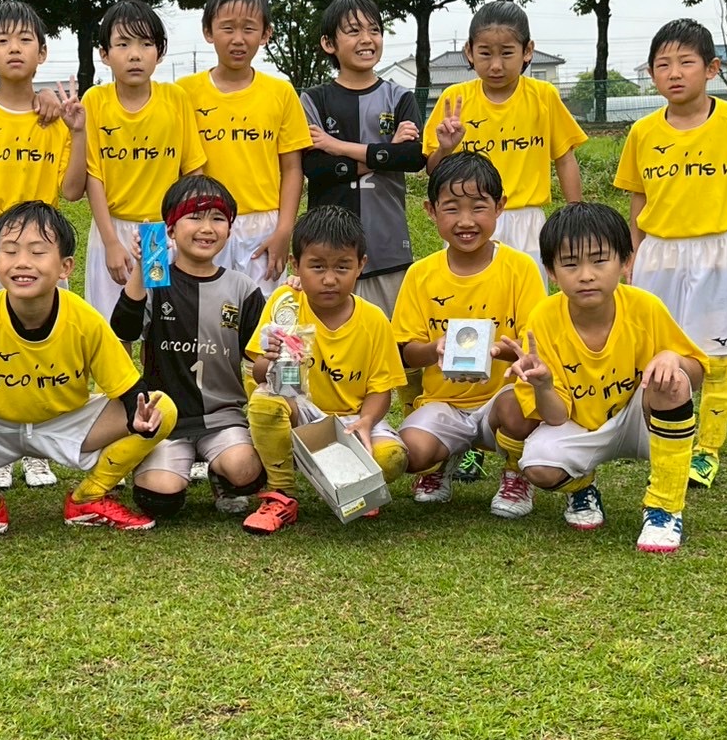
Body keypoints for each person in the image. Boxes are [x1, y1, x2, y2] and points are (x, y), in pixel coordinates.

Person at [0, 201, 178, 547]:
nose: (22, 262)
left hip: (66, 422)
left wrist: (138, 416)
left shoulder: (84, 319)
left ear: (66, 266)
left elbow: (128, 387)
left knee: (162, 409)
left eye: (38, 252)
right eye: (10, 251)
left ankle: (89, 497)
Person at [488, 203, 708, 553]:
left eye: (599, 260)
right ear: (551, 272)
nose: (586, 275)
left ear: (625, 262)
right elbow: (557, 416)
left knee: (673, 381)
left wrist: (674, 358)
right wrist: (543, 385)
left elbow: (695, 376)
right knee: (538, 466)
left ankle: (664, 508)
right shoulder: (543, 319)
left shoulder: (645, 307)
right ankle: (581, 486)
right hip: (579, 423)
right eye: (570, 264)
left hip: (640, 420)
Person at [614, 18, 727, 489]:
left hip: (716, 250)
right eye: (663, 65)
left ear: (711, 68)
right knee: (654, 349)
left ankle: (706, 451)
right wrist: (633, 252)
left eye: (686, 62)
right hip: (658, 252)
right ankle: (655, 435)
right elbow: (638, 196)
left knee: (715, 353)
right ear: (652, 74)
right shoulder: (642, 131)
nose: (674, 73)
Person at [0, 0, 86, 492]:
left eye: (25, 40)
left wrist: (76, 132)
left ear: (42, 53)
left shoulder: (53, 116)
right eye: (3, 41)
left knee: (43, 335)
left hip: (42, 234)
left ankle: (41, 445)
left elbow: (72, 190)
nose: (14, 49)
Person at [391, 152, 546, 516]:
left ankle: (515, 474)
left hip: (499, 398)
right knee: (412, 452)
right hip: (443, 402)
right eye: (451, 209)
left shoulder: (520, 268)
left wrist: (500, 352)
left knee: (520, 406)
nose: (465, 221)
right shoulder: (421, 274)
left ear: (500, 207)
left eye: (478, 207)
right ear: (431, 211)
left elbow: (536, 345)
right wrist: (435, 349)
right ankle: (436, 465)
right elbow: (405, 350)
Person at [241, 206, 407, 534]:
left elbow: (380, 390)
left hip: (351, 420)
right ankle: (281, 494)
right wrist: (269, 360)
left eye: (342, 267)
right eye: (317, 266)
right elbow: (260, 375)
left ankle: (351, 481)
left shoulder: (374, 320)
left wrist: (366, 422)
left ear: (361, 265)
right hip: (301, 413)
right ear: (296, 265)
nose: (329, 279)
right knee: (265, 402)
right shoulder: (286, 303)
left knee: (392, 458)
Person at [109, 176, 266, 518]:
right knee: (159, 499)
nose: (206, 228)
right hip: (166, 419)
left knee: (245, 472)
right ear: (170, 228)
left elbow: (258, 358)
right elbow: (124, 328)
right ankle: (167, 466)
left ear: (229, 229)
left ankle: (222, 475)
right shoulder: (155, 281)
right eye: (194, 217)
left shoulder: (242, 288)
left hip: (223, 417)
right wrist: (140, 270)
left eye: (217, 218)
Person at [423, 0, 586, 286]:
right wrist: (445, 147)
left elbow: (564, 158)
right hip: (469, 218)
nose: (496, 65)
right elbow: (434, 170)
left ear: (528, 51)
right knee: (469, 292)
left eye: (507, 53)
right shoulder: (454, 99)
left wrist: (576, 216)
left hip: (527, 222)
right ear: (469, 51)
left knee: (527, 297)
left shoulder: (543, 96)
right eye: (485, 53)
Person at [178, 0, 310, 295]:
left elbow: (292, 168)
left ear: (265, 34)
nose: (238, 39)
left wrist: (284, 230)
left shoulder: (281, 93)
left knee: (262, 314)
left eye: (249, 28)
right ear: (208, 31)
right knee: (205, 306)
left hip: (263, 226)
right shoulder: (183, 92)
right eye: (227, 28)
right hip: (204, 220)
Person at [301, 0, 425, 314]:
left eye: (374, 30)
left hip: (388, 247)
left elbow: (413, 158)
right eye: (354, 31)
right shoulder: (313, 99)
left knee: (391, 338)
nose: (367, 39)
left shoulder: (400, 96)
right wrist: (387, 151)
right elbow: (316, 167)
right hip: (328, 252)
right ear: (329, 43)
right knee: (329, 338)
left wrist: (336, 146)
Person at [83, 0, 205, 321]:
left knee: (161, 322)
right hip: (112, 227)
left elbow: (193, 171)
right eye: (123, 44)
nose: (135, 54)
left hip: (159, 232)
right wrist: (111, 242)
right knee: (113, 324)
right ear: (104, 54)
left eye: (146, 44)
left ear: (159, 52)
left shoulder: (175, 99)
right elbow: (93, 177)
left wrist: (185, 228)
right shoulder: (95, 101)